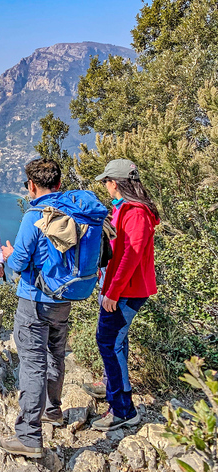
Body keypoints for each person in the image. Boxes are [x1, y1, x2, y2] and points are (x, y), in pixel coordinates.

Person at [0, 158, 69, 459]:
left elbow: (18, 263)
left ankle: (28, 435)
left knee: (33, 363)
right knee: (56, 354)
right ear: (60, 185)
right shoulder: (71, 212)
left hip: (34, 301)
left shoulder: (34, 216)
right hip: (63, 299)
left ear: (31, 186)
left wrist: (9, 253)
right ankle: (53, 410)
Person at [88, 159, 159, 431]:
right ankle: (112, 384)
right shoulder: (123, 209)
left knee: (107, 341)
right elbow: (117, 250)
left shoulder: (136, 212)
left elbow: (132, 254)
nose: (105, 186)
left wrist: (113, 291)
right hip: (119, 287)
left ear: (114, 183)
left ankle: (123, 409)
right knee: (116, 339)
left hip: (127, 290)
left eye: (106, 181)